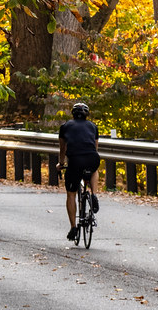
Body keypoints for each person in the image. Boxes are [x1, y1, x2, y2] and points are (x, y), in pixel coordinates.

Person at [57, 102, 101, 241]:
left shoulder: (65, 127)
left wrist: (61, 163)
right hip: (92, 158)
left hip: (75, 161)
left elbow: (63, 148)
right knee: (94, 170)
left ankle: (73, 228)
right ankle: (94, 195)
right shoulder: (93, 126)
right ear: (86, 115)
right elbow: (95, 147)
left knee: (71, 194)